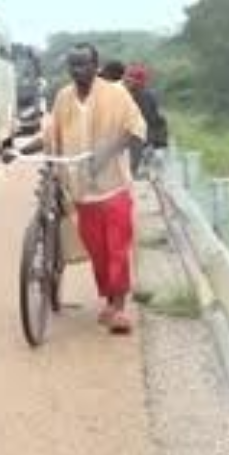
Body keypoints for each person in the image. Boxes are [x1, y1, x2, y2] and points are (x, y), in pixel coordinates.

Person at [38, 44, 148, 335]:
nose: (78, 71)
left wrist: (111, 154)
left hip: (114, 187)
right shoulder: (63, 98)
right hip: (82, 191)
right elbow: (52, 135)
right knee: (98, 253)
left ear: (95, 65)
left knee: (117, 250)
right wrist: (20, 151)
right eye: (73, 65)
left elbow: (135, 128)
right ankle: (110, 301)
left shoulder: (116, 93)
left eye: (84, 65)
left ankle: (119, 308)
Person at [122, 63, 169, 177]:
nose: (127, 83)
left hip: (143, 145)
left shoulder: (149, 98)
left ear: (140, 83)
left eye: (131, 80)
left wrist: (158, 146)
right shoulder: (121, 96)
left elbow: (158, 122)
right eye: (127, 80)